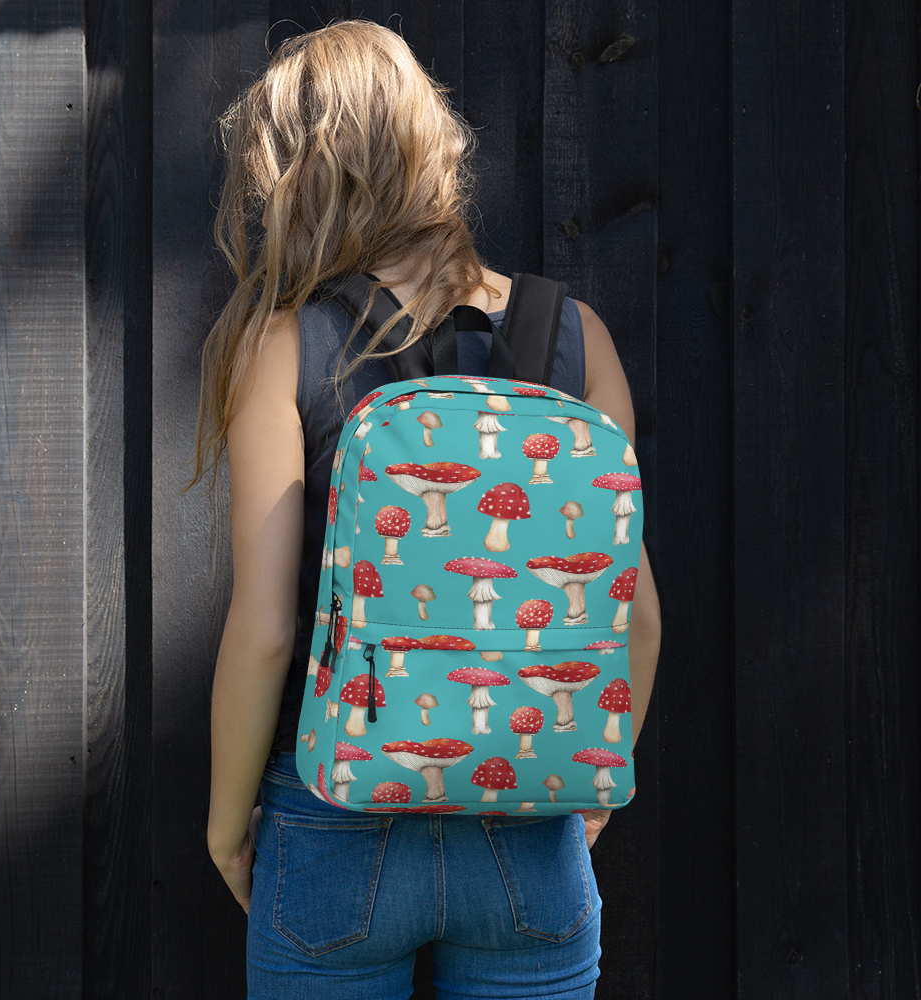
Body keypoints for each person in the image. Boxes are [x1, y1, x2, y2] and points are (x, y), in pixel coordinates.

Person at [194, 19, 662, 1000]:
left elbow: (267, 627)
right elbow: (636, 615)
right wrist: (589, 790)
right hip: (528, 816)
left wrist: (227, 825)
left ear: (296, 177)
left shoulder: (285, 344)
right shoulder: (578, 335)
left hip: (333, 809)